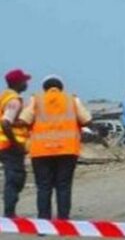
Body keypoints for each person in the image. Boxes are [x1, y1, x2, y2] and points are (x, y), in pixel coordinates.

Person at [20, 75, 92, 220]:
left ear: (44, 89)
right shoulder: (72, 99)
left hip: (41, 151)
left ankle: (44, 221)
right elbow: (87, 119)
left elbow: (24, 120)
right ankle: (63, 221)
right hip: (67, 150)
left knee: (44, 187)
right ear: (61, 88)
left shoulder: (36, 99)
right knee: (64, 186)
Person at [0, 69, 32, 217]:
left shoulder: (4, 96)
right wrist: (16, 143)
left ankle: (9, 209)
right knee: (15, 178)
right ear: (17, 83)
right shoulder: (13, 100)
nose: (26, 83)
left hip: (4, 145)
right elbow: (6, 123)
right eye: (24, 81)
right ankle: (9, 213)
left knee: (14, 177)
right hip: (10, 146)